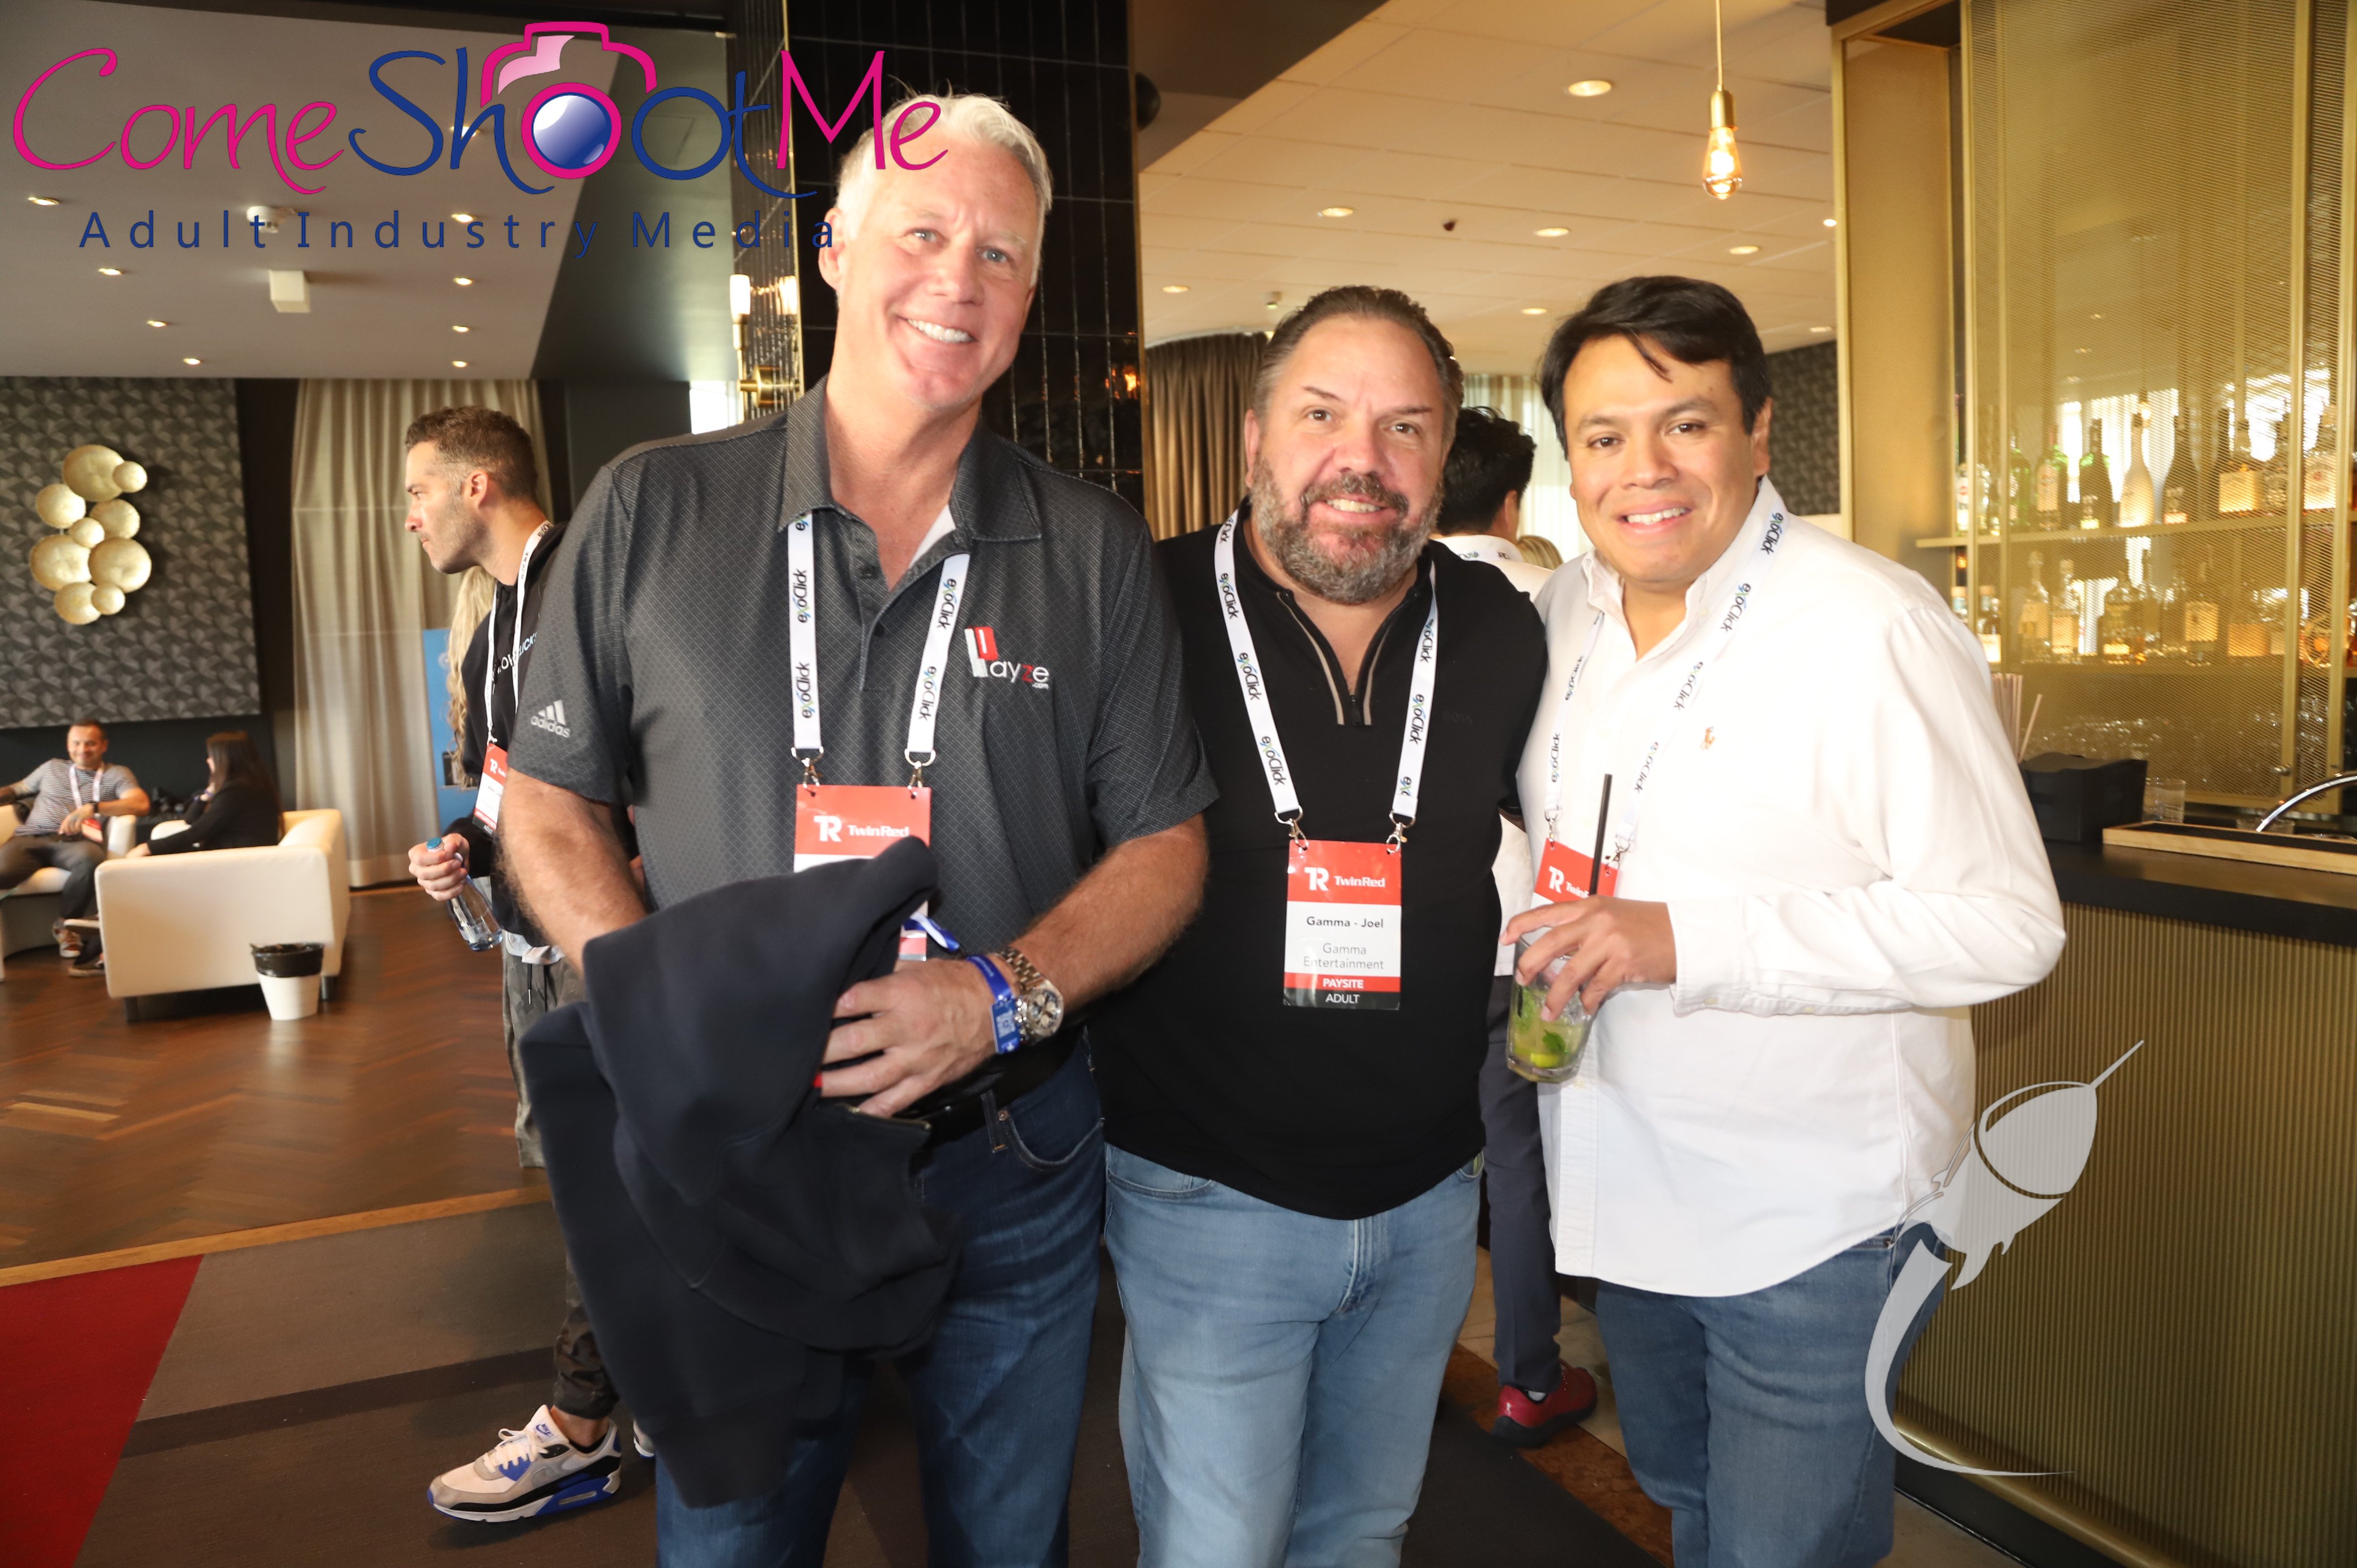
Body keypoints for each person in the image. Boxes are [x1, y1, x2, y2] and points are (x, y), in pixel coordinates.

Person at [497, 92, 1214, 1566]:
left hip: (1009, 1154)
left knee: (1009, 1542)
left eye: (1001, 254)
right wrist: (667, 1011)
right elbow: (551, 800)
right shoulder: (649, 509)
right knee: (735, 1537)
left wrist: (1000, 992)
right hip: (740, 1152)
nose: (959, 278)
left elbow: (1166, 844)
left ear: (1030, 295)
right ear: (832, 248)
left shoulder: (1089, 547)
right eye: (921, 232)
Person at [1504, 276, 2065, 1566]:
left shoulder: (1871, 626)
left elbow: (2006, 926)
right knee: (1687, 1505)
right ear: (1570, 460)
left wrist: (1689, 937)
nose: (1644, 469)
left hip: (1814, 1221)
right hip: (1625, 1189)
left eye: (1685, 424)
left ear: (1757, 433)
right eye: (1604, 435)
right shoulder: (1560, 614)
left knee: (1782, 1550)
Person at [1091, 287, 1547, 1567]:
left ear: (1443, 454)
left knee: (1363, 1532)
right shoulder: (1141, 608)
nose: (1364, 458)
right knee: (1216, 1545)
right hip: (1207, 1193)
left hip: (1428, 1196)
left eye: (1406, 426)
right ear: (1253, 436)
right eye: (1322, 414)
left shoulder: (1500, 626)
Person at [388, 406, 645, 1523]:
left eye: (417, 492)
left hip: (611, 944)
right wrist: (465, 848)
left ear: (479, 484)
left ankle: (583, 1421)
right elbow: (512, 787)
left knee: (617, 1177)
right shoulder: (490, 622)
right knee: (581, 1176)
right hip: (528, 948)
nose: (409, 518)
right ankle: (648, 1380)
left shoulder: (593, 578)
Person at [1431, 404, 1596, 1446]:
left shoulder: (1385, 600)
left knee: (1413, 1152)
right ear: (1512, 501)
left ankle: (1399, 1363)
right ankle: (1529, 1377)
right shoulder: (1561, 605)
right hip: (1540, 931)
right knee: (1521, 1158)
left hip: (1404, 935)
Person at [0, 718, 148, 962]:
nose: (83, 749)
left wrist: (94, 807)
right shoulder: (51, 768)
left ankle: (66, 926)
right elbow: (17, 790)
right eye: (76, 743)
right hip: (30, 838)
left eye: (90, 743)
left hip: (77, 843)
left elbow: (141, 804)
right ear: (68, 745)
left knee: (91, 860)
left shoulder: (116, 774)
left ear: (104, 745)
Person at [133, 731, 285, 858]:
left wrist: (148, 848)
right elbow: (191, 819)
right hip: (228, 855)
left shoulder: (237, 791)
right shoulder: (248, 785)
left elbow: (198, 832)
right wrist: (208, 794)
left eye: (212, 756)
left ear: (225, 760)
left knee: (152, 856)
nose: (208, 760)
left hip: (232, 859)